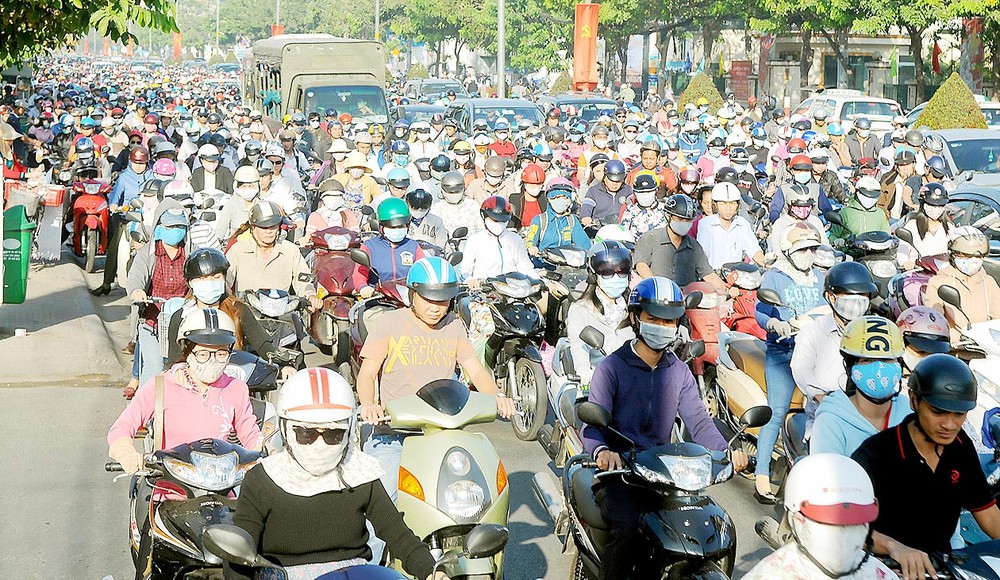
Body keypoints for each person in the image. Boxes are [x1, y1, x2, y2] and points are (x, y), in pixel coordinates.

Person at [581, 276, 749, 580]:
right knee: (630, 531)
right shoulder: (612, 368)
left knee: (714, 526)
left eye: (669, 321)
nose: (662, 327)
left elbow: (698, 421)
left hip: (666, 474)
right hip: (621, 475)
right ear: (635, 318)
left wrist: (727, 452)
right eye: (653, 319)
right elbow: (592, 425)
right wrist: (603, 451)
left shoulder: (679, 372)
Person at [355, 257, 514, 563]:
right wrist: (370, 405)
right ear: (411, 294)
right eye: (428, 298)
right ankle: (367, 568)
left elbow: (475, 370)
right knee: (379, 506)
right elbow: (367, 373)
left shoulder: (454, 325)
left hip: (442, 434)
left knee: (479, 495)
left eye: (443, 300)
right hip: (394, 433)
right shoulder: (389, 323)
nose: (436, 307)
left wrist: (497, 398)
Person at [227, 367, 445, 580]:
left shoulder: (359, 472)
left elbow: (397, 533)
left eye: (334, 434)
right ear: (285, 428)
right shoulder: (262, 479)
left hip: (357, 575)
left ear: (348, 430)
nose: (320, 444)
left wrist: (431, 571)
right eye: (306, 433)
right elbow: (238, 554)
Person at [107, 307, 262, 579]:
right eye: (203, 353)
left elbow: (250, 434)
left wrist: (265, 456)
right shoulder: (160, 386)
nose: (211, 361)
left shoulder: (236, 389)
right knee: (151, 560)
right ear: (187, 351)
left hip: (222, 493)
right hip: (171, 492)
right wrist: (128, 454)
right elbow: (121, 428)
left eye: (221, 353)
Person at [852, 354, 1000, 580]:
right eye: (938, 412)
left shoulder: (960, 447)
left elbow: (988, 514)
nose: (949, 425)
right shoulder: (876, 454)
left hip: (941, 569)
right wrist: (894, 547)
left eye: (959, 414)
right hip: (880, 569)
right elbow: (845, 530)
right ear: (913, 400)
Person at [754, 223, 827, 503]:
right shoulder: (775, 277)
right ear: (788, 250)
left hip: (817, 354)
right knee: (777, 411)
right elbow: (760, 310)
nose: (808, 254)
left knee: (827, 409)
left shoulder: (819, 279)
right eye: (802, 249)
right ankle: (762, 476)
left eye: (812, 249)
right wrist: (775, 323)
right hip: (783, 352)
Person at [744, 454, 899, 580]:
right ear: (797, 520)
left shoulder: (879, 573)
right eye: (830, 524)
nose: (843, 538)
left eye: (855, 523)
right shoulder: (770, 575)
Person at [164, 248, 297, 379]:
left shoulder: (238, 310)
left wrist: (284, 364)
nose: (209, 283)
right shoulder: (181, 317)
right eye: (202, 279)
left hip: (234, 380)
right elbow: (174, 360)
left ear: (224, 279)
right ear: (190, 283)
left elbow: (263, 344)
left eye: (216, 277)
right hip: (194, 384)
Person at [810, 316, 910, 456]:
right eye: (867, 360)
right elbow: (826, 473)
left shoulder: (909, 413)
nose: (878, 369)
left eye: (886, 359)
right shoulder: (830, 421)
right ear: (850, 367)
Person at [791, 262, 877, 425]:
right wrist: (821, 397)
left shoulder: (875, 333)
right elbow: (801, 370)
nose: (858, 303)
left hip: (870, 419)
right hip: (826, 419)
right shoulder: (813, 332)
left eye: (863, 296)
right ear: (831, 297)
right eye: (850, 296)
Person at [124, 200, 192, 397]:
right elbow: (136, 277)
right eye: (170, 226)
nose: (176, 231)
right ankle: (144, 414)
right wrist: (137, 291)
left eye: (180, 226)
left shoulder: (191, 252)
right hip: (152, 322)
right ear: (159, 227)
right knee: (153, 368)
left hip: (183, 324)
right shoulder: (148, 254)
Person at [226, 201, 322, 310]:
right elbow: (225, 281)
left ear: (279, 227)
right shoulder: (238, 250)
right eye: (263, 227)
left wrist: (311, 295)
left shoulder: (290, 250)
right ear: (253, 228)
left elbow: (304, 280)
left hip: (283, 313)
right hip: (248, 313)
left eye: (273, 227)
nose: (269, 232)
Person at [566, 241, 635, 385]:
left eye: (622, 271)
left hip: (637, 381)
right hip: (601, 385)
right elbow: (580, 354)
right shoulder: (580, 310)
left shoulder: (635, 309)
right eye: (607, 272)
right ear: (594, 275)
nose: (616, 277)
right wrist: (589, 375)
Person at [634, 193, 727, 291]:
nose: (684, 223)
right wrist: (656, 286)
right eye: (680, 219)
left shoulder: (694, 246)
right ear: (668, 216)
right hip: (658, 296)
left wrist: (726, 289)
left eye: (688, 220)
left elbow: (708, 274)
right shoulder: (650, 238)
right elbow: (641, 265)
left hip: (688, 299)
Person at [925, 226, 1000, 342]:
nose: (973, 260)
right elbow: (936, 322)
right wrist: (959, 337)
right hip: (957, 350)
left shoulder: (989, 282)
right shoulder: (938, 282)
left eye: (978, 256)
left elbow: (998, 317)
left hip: (987, 349)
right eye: (966, 255)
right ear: (953, 254)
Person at [352, 198, 426, 298]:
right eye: (392, 227)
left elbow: (423, 271)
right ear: (382, 227)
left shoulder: (413, 246)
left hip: (407, 298)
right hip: (378, 298)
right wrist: (363, 287)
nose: (397, 230)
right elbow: (360, 273)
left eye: (401, 226)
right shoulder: (369, 247)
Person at [696, 182, 764, 269]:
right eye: (723, 204)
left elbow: (754, 250)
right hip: (713, 276)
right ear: (715, 205)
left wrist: (767, 264)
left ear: (738, 205)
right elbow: (703, 253)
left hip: (737, 277)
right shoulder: (706, 224)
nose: (728, 208)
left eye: (732, 203)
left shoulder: (742, 224)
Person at [525, 178, 592, 255]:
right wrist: (531, 247)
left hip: (568, 262)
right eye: (556, 197)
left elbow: (583, 243)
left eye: (565, 198)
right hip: (545, 262)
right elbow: (531, 238)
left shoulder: (572, 220)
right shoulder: (539, 220)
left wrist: (591, 253)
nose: (561, 200)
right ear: (549, 199)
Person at [896, 183, 951, 270]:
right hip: (917, 274)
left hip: (942, 274)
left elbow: (957, 246)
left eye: (940, 206)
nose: (936, 209)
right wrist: (906, 263)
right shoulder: (912, 225)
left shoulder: (949, 227)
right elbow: (902, 249)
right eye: (932, 205)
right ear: (923, 204)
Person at [768, 184, 830, 253]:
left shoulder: (815, 221)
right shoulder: (780, 224)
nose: (803, 210)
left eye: (807, 206)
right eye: (799, 207)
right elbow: (776, 250)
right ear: (789, 205)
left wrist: (833, 252)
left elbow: (825, 245)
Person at [828, 176, 889, 244]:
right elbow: (832, 235)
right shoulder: (845, 213)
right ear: (857, 192)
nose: (869, 199)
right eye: (866, 195)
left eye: (873, 196)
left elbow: (886, 235)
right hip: (850, 252)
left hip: (876, 252)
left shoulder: (880, 213)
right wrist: (836, 241)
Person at [896, 306, 951, 374]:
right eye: (921, 352)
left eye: (935, 354)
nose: (928, 358)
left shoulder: (947, 378)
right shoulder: (890, 379)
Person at [581, 159, 631, 227]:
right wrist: (586, 217)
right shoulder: (593, 192)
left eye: (618, 181)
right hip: (601, 230)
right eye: (611, 180)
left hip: (624, 229)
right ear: (605, 177)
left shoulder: (628, 190)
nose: (615, 184)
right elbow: (586, 208)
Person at [436, 170, 483, 236]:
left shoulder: (472, 206)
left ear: (463, 188)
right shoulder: (437, 209)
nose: (454, 194)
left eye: (457, 191)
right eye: (450, 192)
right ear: (442, 189)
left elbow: (481, 230)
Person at [509, 162, 548, 230]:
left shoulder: (545, 197)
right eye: (531, 184)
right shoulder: (515, 199)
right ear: (524, 183)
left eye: (538, 184)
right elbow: (511, 223)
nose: (535, 187)